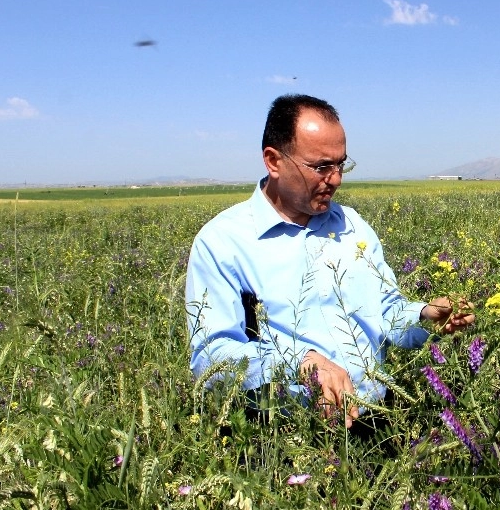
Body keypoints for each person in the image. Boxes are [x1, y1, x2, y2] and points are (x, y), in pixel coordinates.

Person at [185, 94, 473, 428]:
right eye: (321, 166)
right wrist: (302, 363)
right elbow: (211, 356)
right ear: (273, 161)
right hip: (287, 440)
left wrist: (424, 317)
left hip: (376, 423)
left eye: (341, 164)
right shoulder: (222, 242)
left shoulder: (352, 226)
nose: (335, 179)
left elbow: (385, 313)